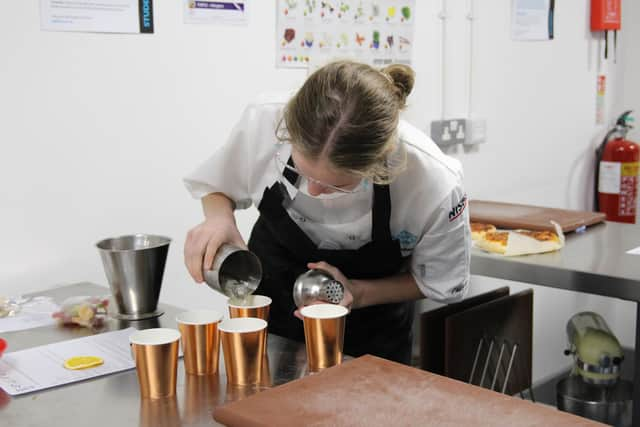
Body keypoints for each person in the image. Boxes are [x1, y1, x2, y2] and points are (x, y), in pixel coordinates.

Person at [183, 60, 471, 364]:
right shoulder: (265, 119)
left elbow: (437, 281)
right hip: (272, 321)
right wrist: (218, 218)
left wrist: (358, 293)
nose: (315, 191)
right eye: (304, 172)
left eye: (338, 185)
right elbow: (218, 187)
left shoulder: (433, 183)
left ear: (379, 164)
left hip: (371, 339)